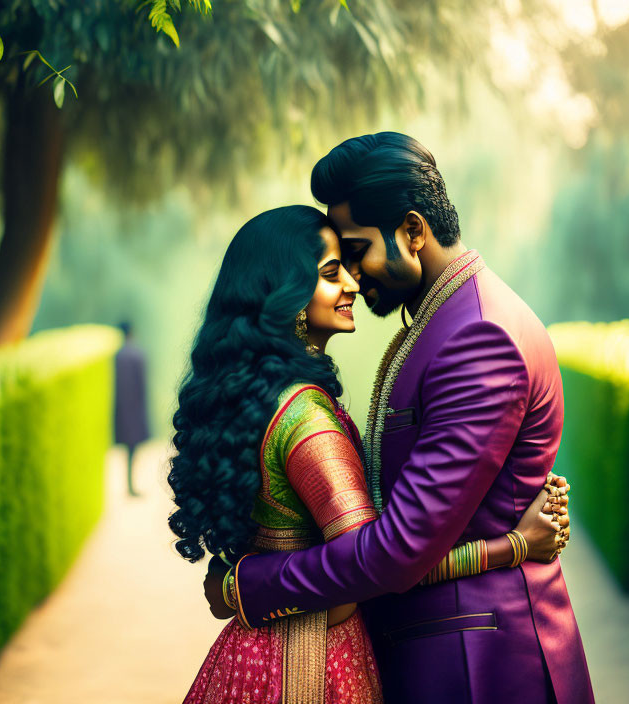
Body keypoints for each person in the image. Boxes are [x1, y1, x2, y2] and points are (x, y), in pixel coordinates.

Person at [205, 134, 594, 704]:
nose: (356, 278)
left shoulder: (478, 336)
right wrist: (513, 539)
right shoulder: (446, 320)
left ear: (413, 231)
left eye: (357, 251)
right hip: (446, 648)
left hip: (477, 663)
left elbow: (395, 549)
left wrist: (249, 584)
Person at [114, 321, 151, 496]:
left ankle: (129, 485)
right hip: (134, 411)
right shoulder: (137, 355)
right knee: (132, 451)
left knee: (128, 451)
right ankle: (130, 486)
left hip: (120, 412)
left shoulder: (116, 356)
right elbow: (142, 387)